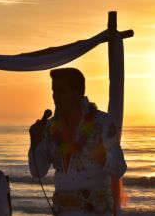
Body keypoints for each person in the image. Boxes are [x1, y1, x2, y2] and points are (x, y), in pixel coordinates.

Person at [28, 68, 127, 216]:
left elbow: (119, 168)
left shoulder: (102, 123)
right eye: (54, 91)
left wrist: (103, 158)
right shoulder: (50, 128)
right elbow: (37, 172)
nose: (55, 96)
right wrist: (34, 142)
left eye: (61, 91)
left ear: (77, 92)